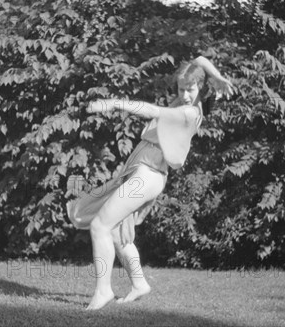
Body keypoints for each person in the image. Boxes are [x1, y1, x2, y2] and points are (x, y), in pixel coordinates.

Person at [66, 56, 234, 310]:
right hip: (140, 172)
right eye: (181, 89)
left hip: (147, 176)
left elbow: (152, 110)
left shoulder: (188, 113)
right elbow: (199, 58)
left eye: (191, 89)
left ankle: (103, 291)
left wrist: (114, 103)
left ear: (201, 89)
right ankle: (139, 284)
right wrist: (218, 76)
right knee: (114, 230)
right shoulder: (185, 101)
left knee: (100, 225)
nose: (186, 95)